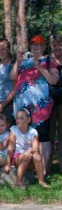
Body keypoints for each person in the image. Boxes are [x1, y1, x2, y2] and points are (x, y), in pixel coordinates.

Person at [10, 34, 59, 175]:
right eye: (33, 44)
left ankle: (42, 170)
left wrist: (39, 66)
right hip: (22, 107)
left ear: (44, 46)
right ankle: (25, 167)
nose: (36, 46)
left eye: (39, 44)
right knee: (23, 136)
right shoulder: (24, 61)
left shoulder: (49, 60)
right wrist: (18, 62)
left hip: (41, 108)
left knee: (42, 136)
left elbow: (54, 80)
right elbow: (12, 77)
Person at [4, 108, 49, 188]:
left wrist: (29, 151)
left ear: (28, 120)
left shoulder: (33, 132)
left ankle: (41, 181)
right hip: (18, 158)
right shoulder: (14, 129)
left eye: (21, 118)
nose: (18, 120)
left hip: (30, 157)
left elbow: (35, 149)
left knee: (37, 156)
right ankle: (18, 181)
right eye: (17, 118)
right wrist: (7, 164)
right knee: (26, 157)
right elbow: (10, 148)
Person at [47, 34, 62, 171]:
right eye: (55, 45)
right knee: (50, 134)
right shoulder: (47, 60)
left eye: (60, 45)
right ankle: (48, 166)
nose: (57, 47)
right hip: (49, 102)